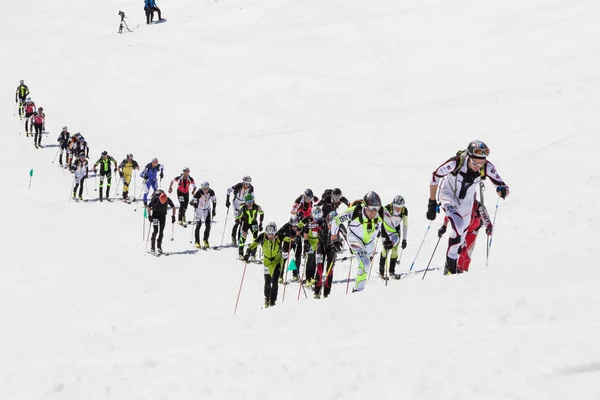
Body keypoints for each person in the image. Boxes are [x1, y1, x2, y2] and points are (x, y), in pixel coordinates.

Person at [427, 140, 509, 275]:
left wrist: (502, 190)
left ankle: (449, 269)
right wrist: (431, 202)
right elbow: (435, 176)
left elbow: (503, 185)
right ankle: (451, 271)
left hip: (467, 203)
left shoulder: (486, 167)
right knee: (458, 225)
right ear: (469, 157)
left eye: (481, 163)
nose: (478, 167)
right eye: (475, 163)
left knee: (460, 238)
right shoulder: (456, 162)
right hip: (448, 195)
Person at [331, 191, 397, 292]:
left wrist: (391, 243)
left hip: (370, 243)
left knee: (365, 267)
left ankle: (356, 289)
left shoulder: (383, 213)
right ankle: (358, 291)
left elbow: (394, 235)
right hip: (354, 238)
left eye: (377, 208)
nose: (374, 212)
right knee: (365, 263)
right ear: (365, 206)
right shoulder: (354, 212)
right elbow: (336, 220)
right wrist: (334, 239)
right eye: (371, 208)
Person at [438, 197, 493, 272]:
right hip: (462, 230)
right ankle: (453, 267)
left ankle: (464, 271)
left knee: (467, 254)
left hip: (472, 232)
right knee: (460, 249)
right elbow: (450, 213)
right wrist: (444, 226)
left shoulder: (479, 206)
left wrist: (489, 227)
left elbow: (486, 218)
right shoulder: (459, 204)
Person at [243, 222, 284, 308]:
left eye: (272, 234)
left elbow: (288, 238)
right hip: (267, 262)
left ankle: (273, 301)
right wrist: (248, 252)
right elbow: (253, 244)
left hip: (277, 261)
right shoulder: (262, 236)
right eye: (269, 234)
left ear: (275, 233)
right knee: (268, 282)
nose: (270, 236)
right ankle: (267, 299)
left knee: (275, 282)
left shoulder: (279, 236)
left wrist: (293, 238)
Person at [314, 211, 344, 299]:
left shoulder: (340, 225)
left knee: (329, 270)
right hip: (321, 247)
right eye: (330, 223)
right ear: (327, 221)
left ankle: (326, 293)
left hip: (332, 248)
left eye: (334, 224)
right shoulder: (321, 221)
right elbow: (311, 223)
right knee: (319, 268)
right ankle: (317, 291)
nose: (331, 226)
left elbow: (346, 234)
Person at [379, 195, 408, 278]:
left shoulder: (404, 211)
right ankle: (381, 272)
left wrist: (404, 239)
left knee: (395, 252)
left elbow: (405, 225)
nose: (398, 209)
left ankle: (392, 271)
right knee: (385, 251)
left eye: (400, 207)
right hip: (385, 228)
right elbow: (378, 219)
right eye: (396, 207)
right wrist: (377, 230)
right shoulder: (387, 208)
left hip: (396, 229)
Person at [301, 205, 326, 288]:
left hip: (318, 241)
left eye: (318, 217)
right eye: (315, 217)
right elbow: (305, 232)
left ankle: (313, 277)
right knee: (310, 260)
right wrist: (305, 243)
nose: (316, 220)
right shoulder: (309, 221)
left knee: (316, 260)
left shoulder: (321, 221)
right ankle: (308, 278)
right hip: (311, 242)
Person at [225, 175, 254, 245]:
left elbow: (252, 197)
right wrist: (227, 201)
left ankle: (239, 240)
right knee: (237, 221)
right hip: (236, 203)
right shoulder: (238, 185)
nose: (247, 185)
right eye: (246, 183)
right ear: (243, 182)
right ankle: (233, 237)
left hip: (244, 204)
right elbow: (228, 191)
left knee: (242, 222)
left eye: (249, 183)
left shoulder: (251, 188)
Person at [235, 193, 264, 259]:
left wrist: (260, 223)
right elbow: (236, 220)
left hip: (254, 223)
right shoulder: (242, 208)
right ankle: (241, 254)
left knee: (255, 238)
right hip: (245, 224)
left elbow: (262, 213)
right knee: (243, 238)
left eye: (251, 201)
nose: (250, 204)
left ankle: (253, 254)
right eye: (248, 202)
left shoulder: (256, 207)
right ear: (245, 202)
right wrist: (240, 219)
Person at [191, 181, 217, 248]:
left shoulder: (211, 192)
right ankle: (197, 242)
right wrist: (194, 204)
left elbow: (214, 201)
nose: (206, 190)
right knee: (198, 225)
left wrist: (214, 209)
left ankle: (205, 240)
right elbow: (192, 201)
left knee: (208, 225)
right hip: (199, 210)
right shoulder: (199, 192)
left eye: (207, 188)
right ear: (202, 188)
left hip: (207, 210)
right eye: (204, 189)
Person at [277, 215, 303, 283]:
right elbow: (278, 233)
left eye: (296, 226)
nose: (295, 228)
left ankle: (295, 274)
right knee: (284, 258)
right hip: (288, 242)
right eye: (293, 226)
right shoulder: (287, 226)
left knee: (298, 258)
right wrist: (286, 238)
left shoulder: (301, 226)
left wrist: (299, 238)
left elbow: (305, 234)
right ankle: (280, 275)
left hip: (297, 243)